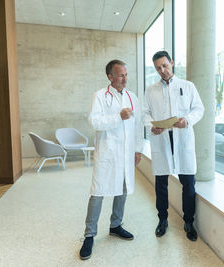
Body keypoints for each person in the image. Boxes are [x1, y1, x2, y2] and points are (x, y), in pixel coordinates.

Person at [79, 60, 143, 260]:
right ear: (110, 77)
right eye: (120, 75)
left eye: (126, 74)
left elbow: (138, 125)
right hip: (107, 153)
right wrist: (118, 116)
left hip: (126, 154)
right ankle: (89, 235)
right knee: (98, 192)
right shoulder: (100, 96)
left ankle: (116, 225)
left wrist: (138, 150)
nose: (125, 78)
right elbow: (94, 121)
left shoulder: (132, 98)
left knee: (122, 190)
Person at [142, 51, 204, 241]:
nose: (162, 70)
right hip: (161, 140)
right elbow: (144, 114)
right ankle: (162, 220)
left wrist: (187, 120)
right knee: (161, 185)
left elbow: (199, 109)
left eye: (165, 66)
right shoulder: (150, 90)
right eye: (158, 68)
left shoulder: (188, 86)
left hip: (182, 139)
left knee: (188, 184)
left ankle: (188, 222)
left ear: (172, 63)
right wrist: (151, 125)